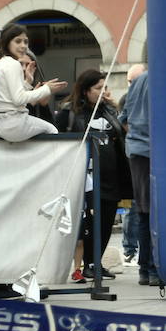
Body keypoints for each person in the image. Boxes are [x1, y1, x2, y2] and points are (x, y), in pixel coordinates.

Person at [56, 69, 132, 282]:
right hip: (85, 178)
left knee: (106, 221)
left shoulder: (107, 110)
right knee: (87, 224)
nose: (103, 92)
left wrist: (113, 106)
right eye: (98, 88)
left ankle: (94, 262)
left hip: (111, 177)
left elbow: (121, 132)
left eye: (104, 87)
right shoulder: (69, 112)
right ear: (85, 90)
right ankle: (83, 265)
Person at [0, 25, 67, 141]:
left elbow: (8, 97)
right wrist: (47, 89)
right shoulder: (13, 64)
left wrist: (28, 82)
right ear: (7, 42)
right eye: (18, 41)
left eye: (25, 42)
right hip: (14, 124)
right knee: (52, 130)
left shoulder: (1, 63)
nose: (23, 46)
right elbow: (18, 99)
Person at [119, 63, 160, 286]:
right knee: (153, 212)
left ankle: (146, 269)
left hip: (137, 151)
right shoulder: (158, 79)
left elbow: (123, 118)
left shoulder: (135, 85)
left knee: (144, 211)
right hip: (151, 150)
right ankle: (152, 268)